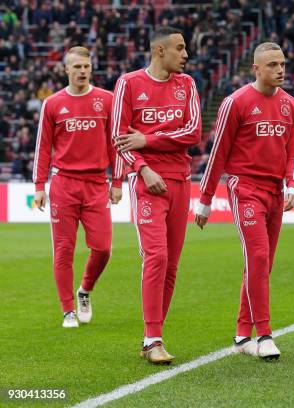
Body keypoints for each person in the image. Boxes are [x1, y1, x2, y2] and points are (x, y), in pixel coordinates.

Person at [195, 42, 294, 361]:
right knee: (257, 256)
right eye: (272, 65)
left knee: (262, 264)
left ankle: (242, 335)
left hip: (274, 191)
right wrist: (204, 198)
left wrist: (293, 184)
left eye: (282, 63)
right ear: (256, 69)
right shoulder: (235, 102)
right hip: (244, 187)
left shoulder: (291, 106)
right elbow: (219, 152)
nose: (280, 69)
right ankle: (264, 334)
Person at [112, 26, 201, 364]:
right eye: (180, 48)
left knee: (172, 266)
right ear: (160, 51)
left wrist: (147, 139)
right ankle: (153, 339)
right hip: (147, 184)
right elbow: (119, 137)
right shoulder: (129, 83)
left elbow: (192, 131)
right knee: (157, 257)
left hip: (180, 180)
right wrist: (143, 168)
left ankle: (153, 335)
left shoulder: (187, 85)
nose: (186, 54)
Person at [33, 46, 123, 329]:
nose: (82, 71)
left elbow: (115, 145)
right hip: (63, 184)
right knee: (63, 249)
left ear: (91, 68)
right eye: (77, 67)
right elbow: (43, 147)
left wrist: (117, 180)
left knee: (103, 248)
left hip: (97, 183)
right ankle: (68, 310)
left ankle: (84, 290)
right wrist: (39, 185)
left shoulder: (107, 100)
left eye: (86, 66)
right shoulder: (52, 104)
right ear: (66, 70)